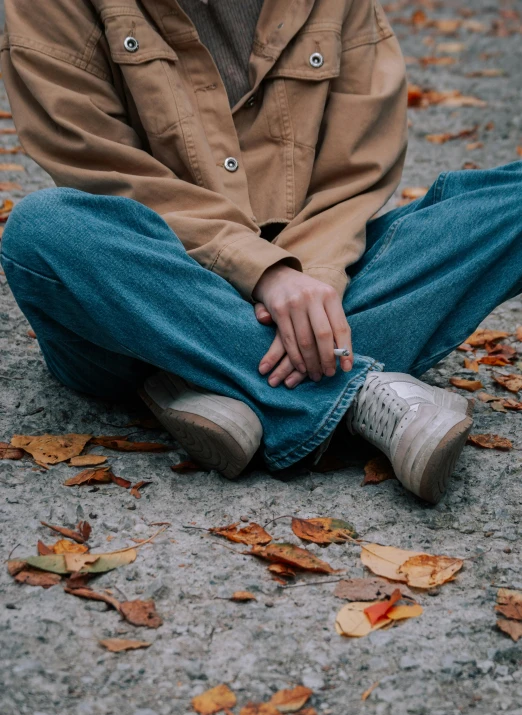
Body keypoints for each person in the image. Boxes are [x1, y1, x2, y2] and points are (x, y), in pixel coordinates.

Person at [1, 0, 521, 503]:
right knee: (45, 232)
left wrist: (310, 278)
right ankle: (359, 394)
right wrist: (264, 272)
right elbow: (103, 168)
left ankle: (206, 375)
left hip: (323, 275)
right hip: (147, 283)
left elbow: (356, 171)